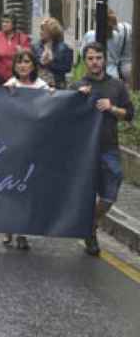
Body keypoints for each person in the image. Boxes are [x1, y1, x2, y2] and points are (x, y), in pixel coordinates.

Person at [72, 42, 134, 256]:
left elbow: (129, 114)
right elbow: (65, 115)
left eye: (98, 57)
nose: (95, 62)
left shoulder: (116, 85)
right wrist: (76, 99)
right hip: (84, 150)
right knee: (86, 192)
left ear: (104, 59)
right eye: (90, 58)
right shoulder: (78, 84)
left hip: (109, 147)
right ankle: (90, 235)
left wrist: (112, 108)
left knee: (110, 193)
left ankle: (91, 223)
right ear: (85, 61)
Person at [1, 51, 51, 251]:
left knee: (27, 190)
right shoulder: (9, 86)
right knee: (11, 190)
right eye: (19, 62)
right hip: (12, 146)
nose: (23, 66)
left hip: (33, 147)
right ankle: (8, 227)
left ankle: (22, 232)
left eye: (27, 62)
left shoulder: (42, 87)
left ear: (33, 65)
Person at [83, 9, 133, 86]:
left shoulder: (90, 36)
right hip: (120, 72)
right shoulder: (122, 32)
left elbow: (83, 53)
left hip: (99, 74)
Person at [0, 12, 31, 84]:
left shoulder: (22, 38)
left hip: (17, 76)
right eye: (3, 22)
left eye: (7, 22)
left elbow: (29, 56)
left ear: (14, 24)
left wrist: (22, 51)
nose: (4, 24)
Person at [33, 17, 73, 89]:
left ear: (52, 31)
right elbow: (33, 64)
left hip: (58, 85)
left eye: (43, 30)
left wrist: (50, 63)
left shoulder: (64, 48)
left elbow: (67, 67)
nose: (40, 32)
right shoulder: (35, 47)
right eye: (40, 29)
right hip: (39, 85)